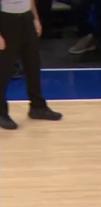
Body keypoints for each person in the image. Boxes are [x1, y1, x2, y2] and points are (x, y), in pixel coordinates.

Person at [0, 0, 62, 130]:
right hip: (5, 19)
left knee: (33, 63)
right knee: (4, 68)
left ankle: (38, 107)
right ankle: (1, 113)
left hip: (26, 17)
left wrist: (35, 18)